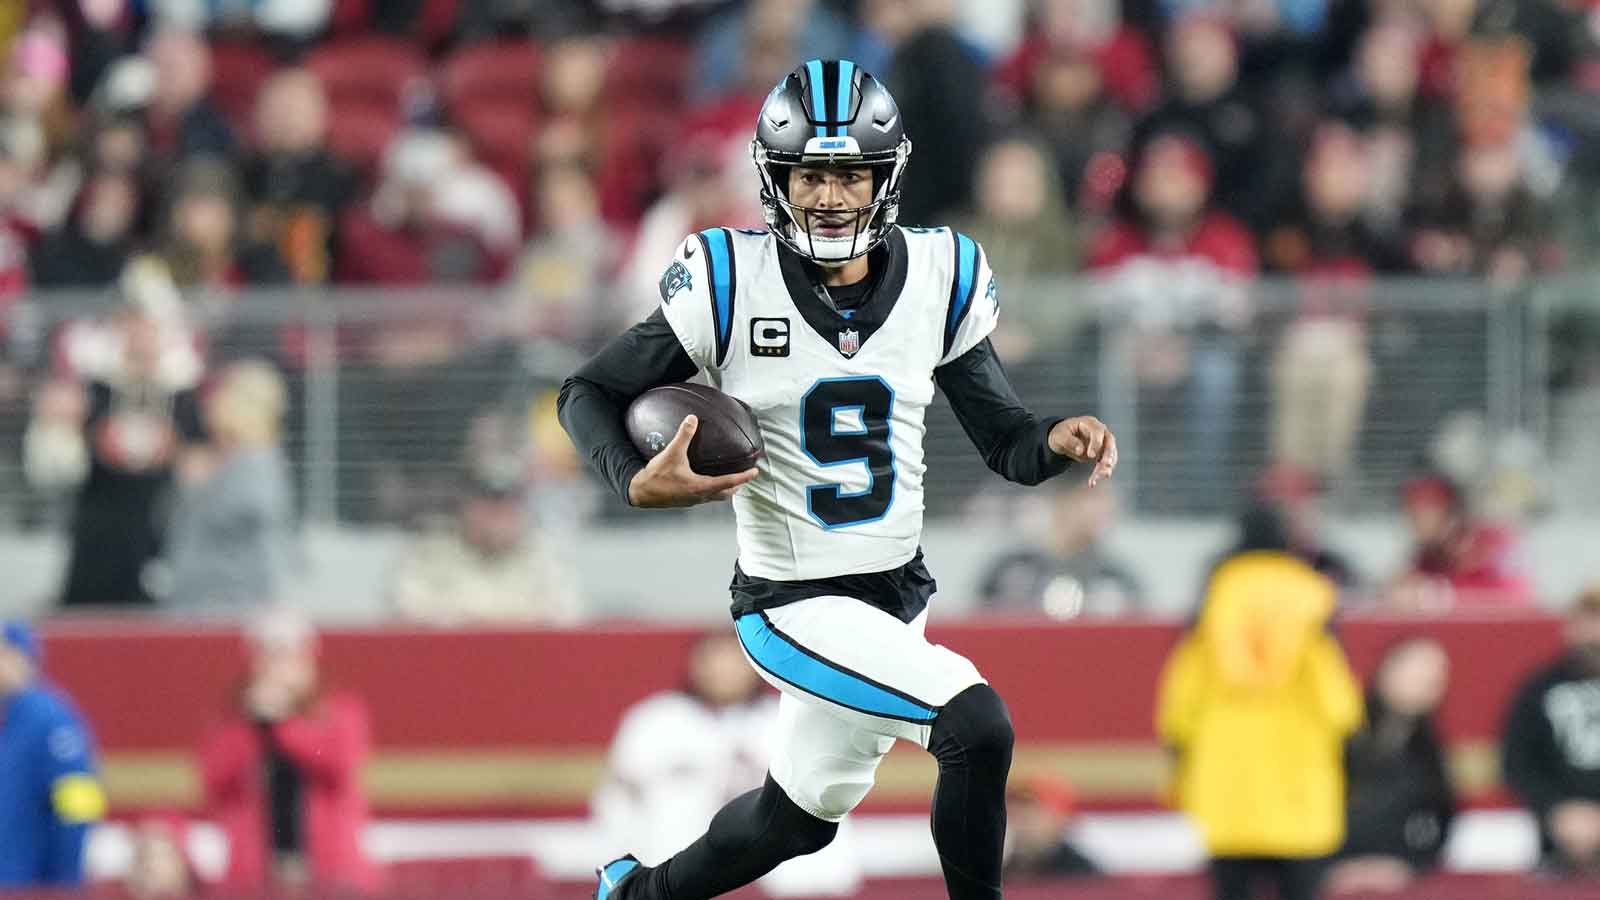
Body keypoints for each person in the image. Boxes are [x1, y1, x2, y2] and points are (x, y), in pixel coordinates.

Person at [559, 59, 1118, 900]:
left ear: (884, 176)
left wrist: (1053, 440)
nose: (828, 196)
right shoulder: (727, 279)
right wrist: (635, 478)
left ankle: (632, 894)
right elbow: (587, 392)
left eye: (850, 174)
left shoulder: (941, 274)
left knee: (796, 821)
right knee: (974, 724)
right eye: (809, 175)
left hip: (898, 595)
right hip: (792, 602)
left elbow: (1005, 442)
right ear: (775, 178)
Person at [1156, 506, 1362, 900]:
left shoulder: (1212, 604)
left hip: (1226, 788)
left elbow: (1180, 707)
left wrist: (1179, 770)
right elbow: (1338, 703)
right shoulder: (1311, 602)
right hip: (1302, 787)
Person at [593, 632, 861, 896]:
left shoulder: (788, 718)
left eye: (734, 662)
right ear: (695, 665)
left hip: (788, 880)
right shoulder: (655, 721)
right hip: (678, 869)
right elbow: (617, 800)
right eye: (715, 661)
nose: (724, 672)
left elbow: (828, 798)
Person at [198, 608, 376, 892]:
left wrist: (283, 724)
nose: (278, 666)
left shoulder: (339, 711)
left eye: (288, 653)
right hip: (256, 878)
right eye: (268, 654)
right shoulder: (234, 721)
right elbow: (214, 778)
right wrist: (253, 725)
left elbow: (338, 765)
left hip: (330, 876)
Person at [162, 359, 296, 611]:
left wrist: (198, 489)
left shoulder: (255, 460)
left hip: (232, 599)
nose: (211, 405)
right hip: (197, 594)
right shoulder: (224, 458)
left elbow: (248, 513)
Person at [1326, 637, 1455, 894]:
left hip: (1395, 874)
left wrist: (1409, 865)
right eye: (1415, 672)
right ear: (1387, 670)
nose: (1424, 683)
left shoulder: (1427, 749)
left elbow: (1443, 817)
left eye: (1435, 678)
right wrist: (1325, 866)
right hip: (1325, 871)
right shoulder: (1339, 730)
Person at [388, 471, 582, 625]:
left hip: (527, 659)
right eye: (486, 503)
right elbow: (407, 611)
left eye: (507, 504)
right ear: (464, 507)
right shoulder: (428, 553)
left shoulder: (544, 556)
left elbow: (567, 615)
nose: (497, 516)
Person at [1501, 584, 1600, 877]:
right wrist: (1556, 809)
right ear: (1571, 626)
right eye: (1589, 620)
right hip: (1556, 844)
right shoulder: (1538, 687)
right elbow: (1517, 761)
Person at [0, 620, 106, 889]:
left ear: (21, 658)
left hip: (29, 882)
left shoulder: (49, 717)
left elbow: (79, 800)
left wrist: (64, 881)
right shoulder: (10, 716)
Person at [978, 481, 1143, 617]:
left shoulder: (1115, 579)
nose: (1105, 507)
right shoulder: (1008, 575)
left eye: (1107, 498)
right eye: (1093, 496)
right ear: (1062, 499)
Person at [1003, 774, 1101, 879]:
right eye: (1013, 811)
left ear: (1059, 818)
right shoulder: (1001, 866)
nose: (1019, 821)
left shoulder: (1080, 873)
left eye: (1029, 814)